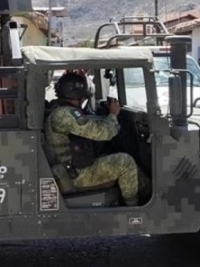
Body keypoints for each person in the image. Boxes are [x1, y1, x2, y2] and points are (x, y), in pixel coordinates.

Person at [44, 72, 143, 206]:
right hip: (75, 175)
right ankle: (134, 209)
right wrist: (113, 114)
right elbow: (103, 133)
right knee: (126, 162)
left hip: (70, 168)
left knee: (113, 156)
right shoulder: (65, 114)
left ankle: (145, 193)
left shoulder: (59, 109)